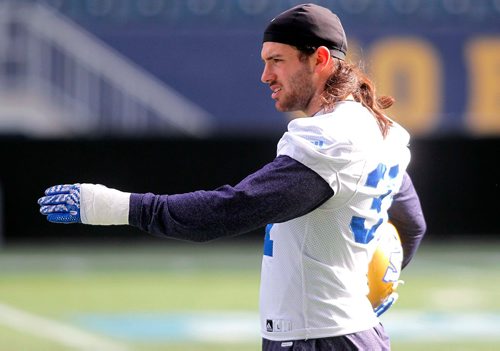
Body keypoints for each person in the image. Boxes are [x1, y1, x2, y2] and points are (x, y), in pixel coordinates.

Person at [38, 3, 426, 350]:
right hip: (342, 332)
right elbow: (412, 224)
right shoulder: (381, 130)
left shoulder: (332, 138)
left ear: (320, 59)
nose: (265, 76)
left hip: (320, 337)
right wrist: (380, 276)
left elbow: (231, 211)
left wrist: (113, 206)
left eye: (277, 60)